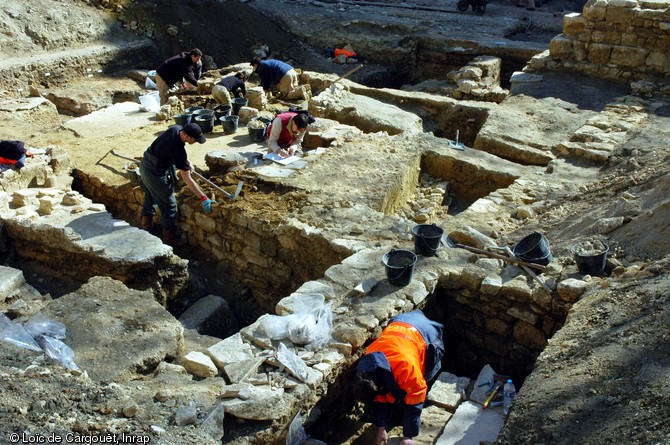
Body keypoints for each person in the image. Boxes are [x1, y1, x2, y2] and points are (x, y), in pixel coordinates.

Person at [352, 310, 444, 445]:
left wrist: (408, 436)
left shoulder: (407, 369)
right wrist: (381, 427)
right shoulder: (366, 367)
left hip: (426, 332)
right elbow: (379, 396)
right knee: (395, 391)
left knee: (423, 377)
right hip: (399, 322)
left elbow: (416, 397)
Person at [139, 122, 215, 247]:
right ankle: (169, 238)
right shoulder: (177, 149)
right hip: (155, 172)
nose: (196, 142)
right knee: (169, 204)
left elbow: (179, 157)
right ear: (187, 137)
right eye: (195, 140)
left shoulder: (177, 129)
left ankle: (146, 227)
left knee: (150, 194)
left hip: (146, 163)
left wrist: (187, 162)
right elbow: (187, 179)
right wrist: (203, 198)